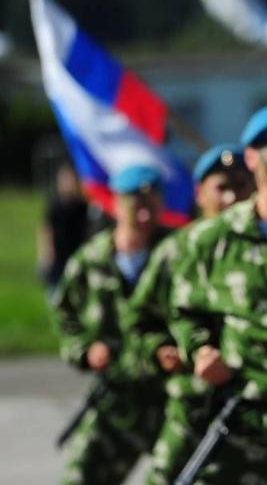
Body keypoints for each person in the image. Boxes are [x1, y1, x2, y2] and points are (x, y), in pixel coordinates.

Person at [170, 103, 267, 484]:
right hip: (243, 424)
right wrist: (200, 350)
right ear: (252, 160)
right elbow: (184, 310)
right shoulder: (212, 239)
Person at [127, 144, 254, 485]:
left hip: (258, 411)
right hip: (193, 407)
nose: (231, 198)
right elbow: (139, 321)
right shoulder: (175, 251)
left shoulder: (266, 245)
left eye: (241, 186)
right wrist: (160, 350)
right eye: (221, 188)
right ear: (199, 195)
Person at [51, 165, 169, 485]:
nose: (144, 212)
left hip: (170, 400)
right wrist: (86, 350)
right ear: (116, 204)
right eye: (135, 203)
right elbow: (65, 315)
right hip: (115, 401)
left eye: (151, 202)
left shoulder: (176, 252)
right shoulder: (91, 261)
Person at [38, 162, 88, 291]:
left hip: (76, 254)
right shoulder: (55, 205)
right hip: (58, 258)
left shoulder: (82, 205)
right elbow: (46, 229)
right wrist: (45, 254)